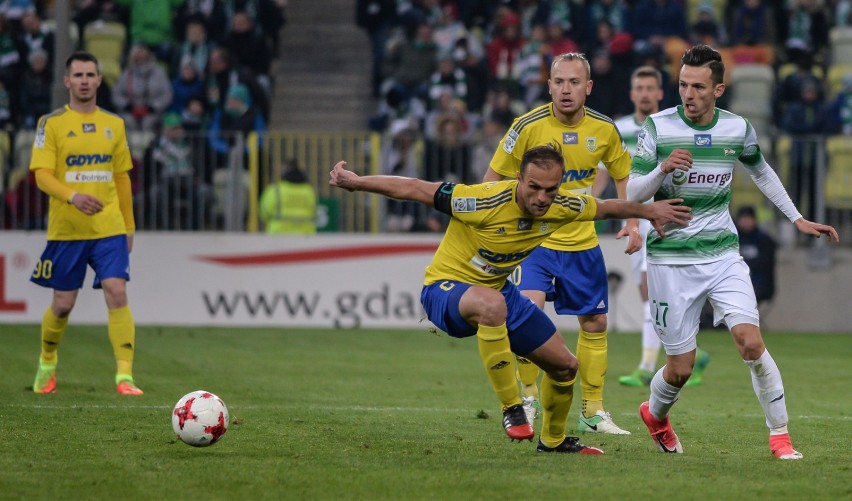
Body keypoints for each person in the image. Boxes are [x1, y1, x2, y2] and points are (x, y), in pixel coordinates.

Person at [329, 144, 692, 452]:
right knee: (492, 304)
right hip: (445, 289)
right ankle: (512, 407)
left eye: (550, 189)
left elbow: (606, 207)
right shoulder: (480, 200)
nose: (541, 198)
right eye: (534, 187)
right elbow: (414, 188)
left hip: (498, 292)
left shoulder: (561, 206)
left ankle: (553, 441)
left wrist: (648, 211)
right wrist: (357, 183)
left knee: (565, 367)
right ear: (519, 179)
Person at [627, 44, 838, 459]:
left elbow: (761, 170)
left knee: (750, 343)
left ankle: (780, 437)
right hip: (671, 260)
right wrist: (662, 169)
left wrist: (796, 218)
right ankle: (655, 414)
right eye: (684, 85)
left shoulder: (737, 129)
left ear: (718, 89)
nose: (688, 94)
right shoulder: (657, 127)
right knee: (680, 368)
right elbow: (634, 192)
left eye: (698, 87)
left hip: (722, 254)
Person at [483, 52, 636, 435]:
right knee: (527, 315)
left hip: (581, 241)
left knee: (596, 321)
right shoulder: (527, 126)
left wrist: (633, 221)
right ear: (548, 85)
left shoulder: (604, 129)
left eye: (573, 82)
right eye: (558, 82)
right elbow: (492, 177)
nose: (565, 90)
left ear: (588, 87)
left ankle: (593, 411)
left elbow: (623, 174)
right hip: (532, 240)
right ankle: (530, 398)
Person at [29, 51, 143, 396]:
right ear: (67, 81)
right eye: (77, 75)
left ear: (98, 80)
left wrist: (129, 226)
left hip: (108, 228)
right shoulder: (50, 124)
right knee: (63, 304)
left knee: (117, 291)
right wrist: (73, 196)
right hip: (67, 230)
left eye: (89, 75)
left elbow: (122, 179)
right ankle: (47, 361)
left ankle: (125, 377)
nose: (83, 81)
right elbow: (42, 177)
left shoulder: (115, 125)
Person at [614, 66, 711, 388]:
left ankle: (646, 366)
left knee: (651, 291)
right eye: (638, 87)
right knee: (656, 293)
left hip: (664, 214)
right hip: (634, 213)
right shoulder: (620, 129)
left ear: (659, 93)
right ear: (631, 94)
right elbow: (611, 175)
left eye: (649, 87)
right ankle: (694, 351)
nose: (643, 93)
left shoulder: (673, 127)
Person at [259, 159, 318, 235]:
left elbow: (264, 212)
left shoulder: (275, 190)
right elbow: (314, 212)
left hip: (279, 235)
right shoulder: (309, 190)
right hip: (305, 235)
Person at [735, 205, 777, 310]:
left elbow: (765, 263)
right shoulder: (732, 239)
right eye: (743, 218)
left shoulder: (765, 240)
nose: (745, 222)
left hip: (759, 284)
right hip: (735, 283)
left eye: (748, 218)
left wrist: (742, 263)